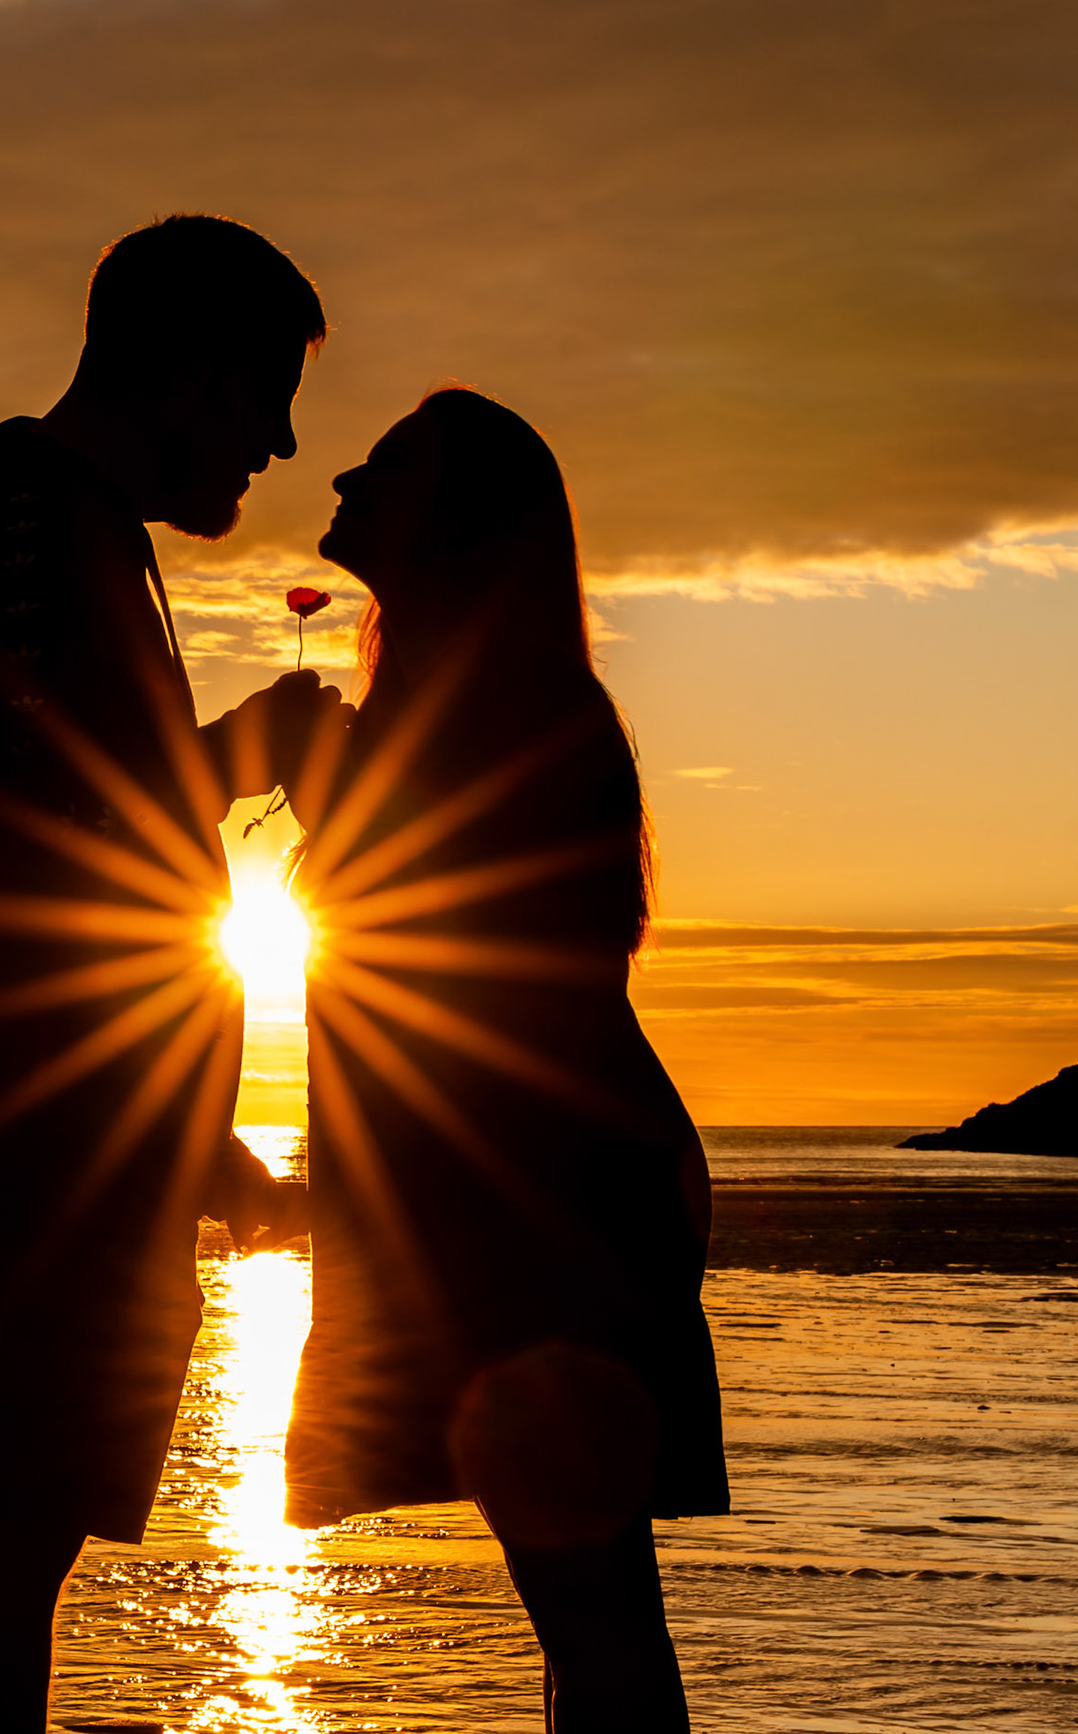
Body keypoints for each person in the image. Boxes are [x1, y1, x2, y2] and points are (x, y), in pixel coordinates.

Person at [0, 215, 342, 1734]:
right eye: (265, 389)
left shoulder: (60, 532)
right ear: (189, 372)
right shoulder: (29, 528)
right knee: (17, 1529)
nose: (275, 438)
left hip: (58, 1131)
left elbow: (80, 824)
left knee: (31, 1528)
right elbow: (48, 856)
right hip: (34, 1136)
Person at [283, 388, 729, 1732]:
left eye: (392, 464)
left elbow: (466, 976)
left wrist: (331, 792)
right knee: (587, 1609)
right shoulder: (451, 716)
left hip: (545, 1210)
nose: (349, 471)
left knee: (593, 1612)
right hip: (524, 1200)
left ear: (454, 522)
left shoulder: (505, 725)